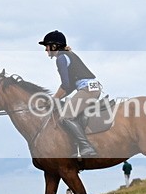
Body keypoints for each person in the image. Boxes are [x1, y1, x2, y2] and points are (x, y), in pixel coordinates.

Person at [39, 30, 101, 158]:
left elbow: (66, 85)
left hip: (88, 90)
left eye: (47, 46)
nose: (46, 49)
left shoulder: (61, 58)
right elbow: (71, 86)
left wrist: (54, 98)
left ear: (54, 46)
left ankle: (86, 147)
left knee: (66, 116)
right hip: (90, 88)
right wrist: (55, 98)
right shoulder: (67, 55)